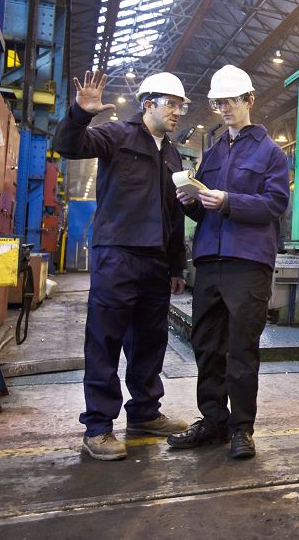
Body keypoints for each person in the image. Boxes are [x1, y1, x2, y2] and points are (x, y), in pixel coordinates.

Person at [54, 70, 191, 460]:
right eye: (171, 103)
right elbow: (68, 145)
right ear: (148, 103)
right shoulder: (117, 135)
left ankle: (145, 413)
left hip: (156, 262)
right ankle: (98, 427)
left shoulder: (173, 153)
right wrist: (81, 113)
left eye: (180, 105)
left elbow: (175, 212)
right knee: (105, 340)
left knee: (150, 343)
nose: (177, 111)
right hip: (116, 255)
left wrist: (177, 265)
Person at [167, 65, 289, 460]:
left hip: (248, 263)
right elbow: (206, 211)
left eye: (230, 102)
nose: (224, 109)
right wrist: (192, 202)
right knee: (206, 345)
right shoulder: (215, 151)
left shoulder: (270, 153)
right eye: (219, 103)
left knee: (241, 349)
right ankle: (214, 420)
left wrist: (229, 201)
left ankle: (242, 428)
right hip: (209, 260)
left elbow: (274, 205)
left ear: (249, 101)